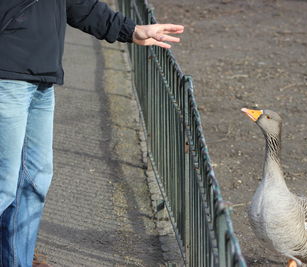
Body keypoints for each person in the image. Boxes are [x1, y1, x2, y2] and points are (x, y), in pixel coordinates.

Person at [0, 1, 184, 266]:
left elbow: (78, 5)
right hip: (7, 78)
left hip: (42, 77)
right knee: (4, 187)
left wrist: (131, 30)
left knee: (34, 183)